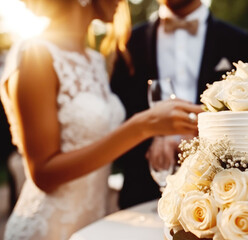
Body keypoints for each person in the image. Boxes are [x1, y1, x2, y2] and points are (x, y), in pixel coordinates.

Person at [0, 0, 202, 239]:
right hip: (48, 229)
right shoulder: (35, 55)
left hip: (95, 224)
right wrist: (143, 126)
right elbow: (43, 173)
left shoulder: (95, 60)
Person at [111, 0, 248, 209]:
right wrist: (150, 139)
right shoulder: (130, 41)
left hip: (219, 193)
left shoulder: (236, 40)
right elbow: (116, 116)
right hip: (144, 191)